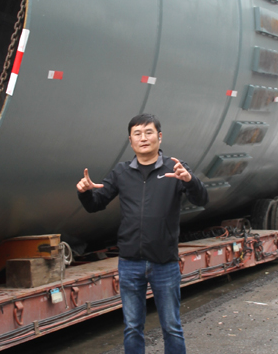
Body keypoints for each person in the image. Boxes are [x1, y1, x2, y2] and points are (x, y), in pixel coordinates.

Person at [77, 113, 208, 354]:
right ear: (130, 141)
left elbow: (202, 199)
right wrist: (84, 192)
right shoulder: (121, 172)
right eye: (137, 134)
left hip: (164, 262)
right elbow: (96, 203)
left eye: (149, 132)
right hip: (130, 263)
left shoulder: (175, 168)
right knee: (132, 327)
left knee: (172, 327)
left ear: (159, 136)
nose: (143, 138)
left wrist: (190, 180)